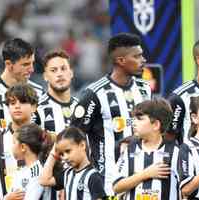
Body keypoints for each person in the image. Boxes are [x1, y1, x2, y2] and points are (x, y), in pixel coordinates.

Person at [70, 32, 151, 196]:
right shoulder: (94, 94)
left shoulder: (144, 89)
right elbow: (74, 136)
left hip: (142, 180)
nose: (143, 60)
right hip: (106, 184)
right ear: (120, 60)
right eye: (137, 56)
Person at [113, 98, 179, 200]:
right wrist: (145, 174)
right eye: (133, 119)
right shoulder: (130, 149)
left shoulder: (175, 152)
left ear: (156, 125)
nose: (133, 123)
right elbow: (116, 186)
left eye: (140, 119)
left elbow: (185, 189)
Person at [0, 83, 39, 199]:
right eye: (12, 103)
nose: (17, 106)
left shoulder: (44, 138)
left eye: (22, 102)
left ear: (34, 107)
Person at [39, 127, 107, 200]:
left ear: (82, 145)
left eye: (68, 151)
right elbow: (44, 180)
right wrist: (53, 154)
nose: (65, 157)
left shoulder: (93, 176)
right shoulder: (67, 174)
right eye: (61, 154)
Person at [0, 38, 44, 125]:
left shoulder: (39, 92)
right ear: (9, 64)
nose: (32, 69)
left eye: (32, 63)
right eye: (25, 64)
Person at [34, 50, 78, 133]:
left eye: (63, 69)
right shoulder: (36, 109)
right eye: (53, 70)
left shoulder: (82, 107)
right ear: (45, 76)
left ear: (71, 73)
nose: (59, 74)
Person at [5, 123, 51, 200]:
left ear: (23, 147)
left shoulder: (37, 173)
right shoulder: (22, 171)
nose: (12, 147)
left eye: (14, 143)